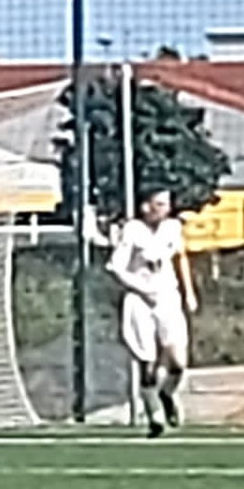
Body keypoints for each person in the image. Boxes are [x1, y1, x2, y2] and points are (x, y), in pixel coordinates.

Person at [108, 186, 196, 437]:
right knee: (147, 362)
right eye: (159, 204)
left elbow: (180, 257)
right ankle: (154, 415)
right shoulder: (132, 230)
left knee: (178, 362)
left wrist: (189, 292)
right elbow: (116, 267)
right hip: (140, 299)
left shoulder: (172, 228)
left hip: (167, 297)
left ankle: (167, 394)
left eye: (166, 204)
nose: (165, 209)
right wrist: (141, 288)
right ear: (146, 206)